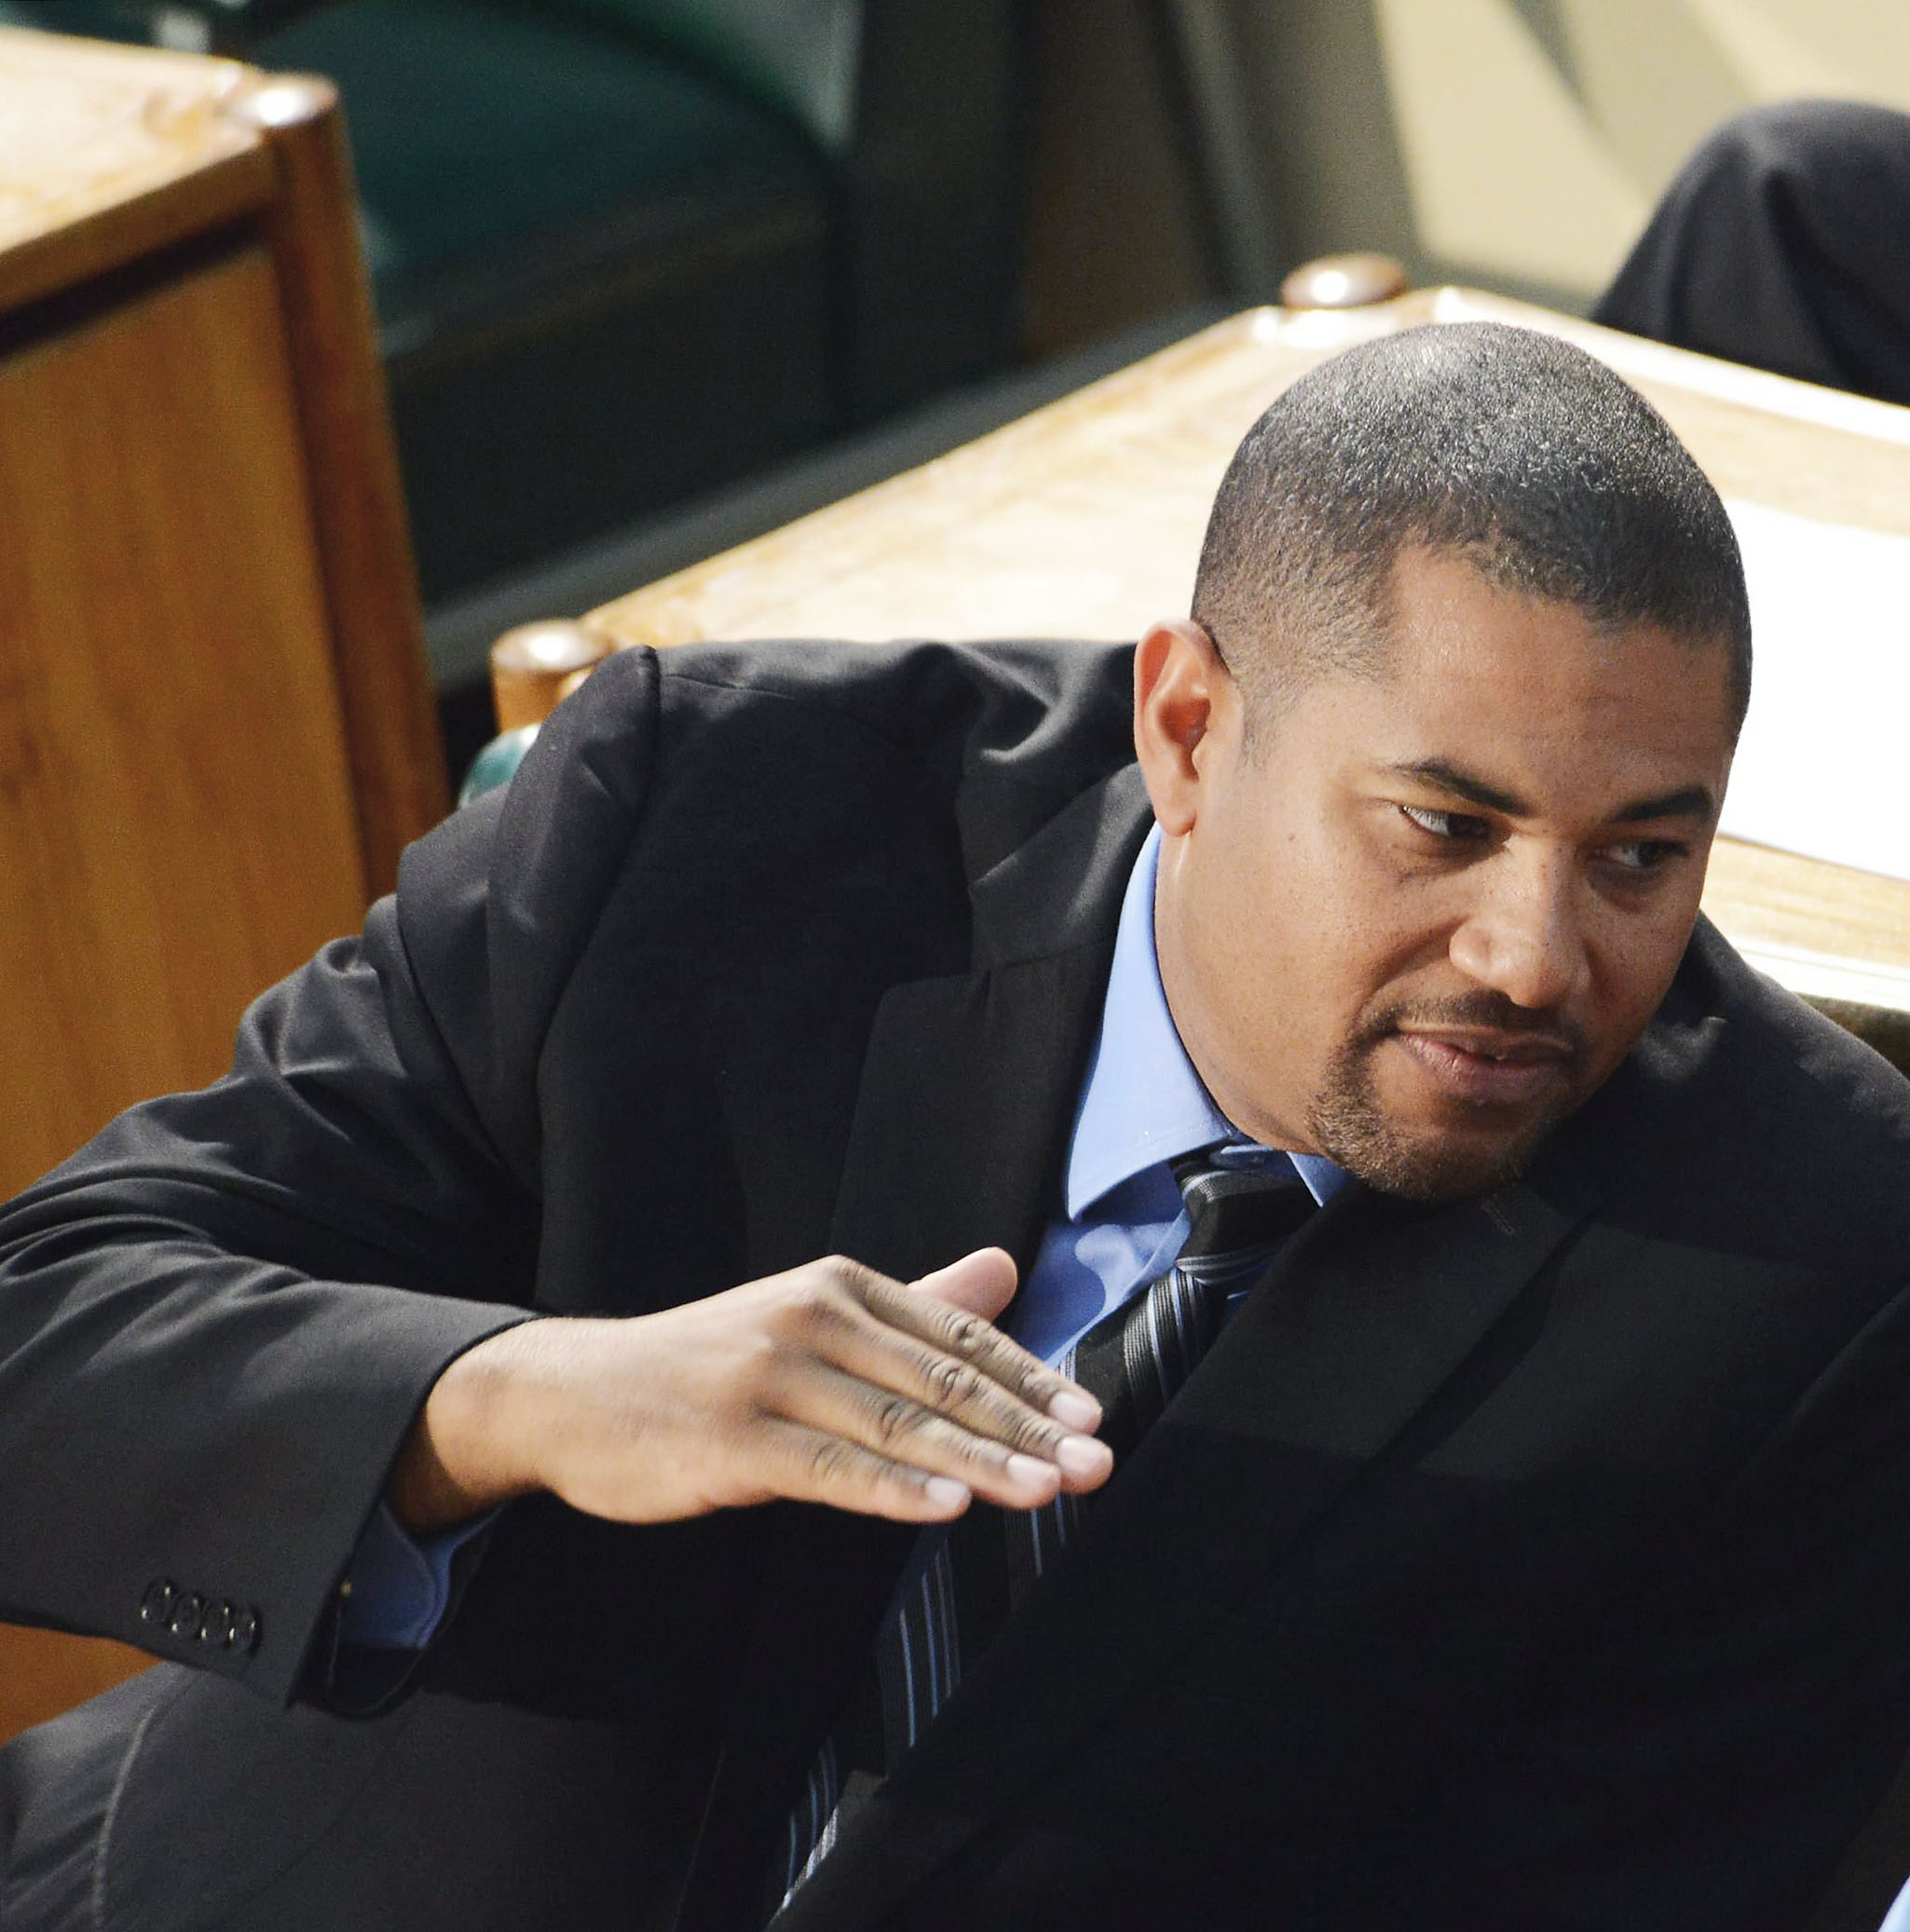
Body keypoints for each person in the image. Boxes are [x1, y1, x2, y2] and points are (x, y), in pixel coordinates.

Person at [5, 320, 1910, 1932]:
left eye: (1639, 856)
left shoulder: (1811, 1271)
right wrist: (528, 1400)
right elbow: (43, 1337)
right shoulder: (705, 816)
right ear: (1187, 727)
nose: (1533, 954)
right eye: (1444, 824)